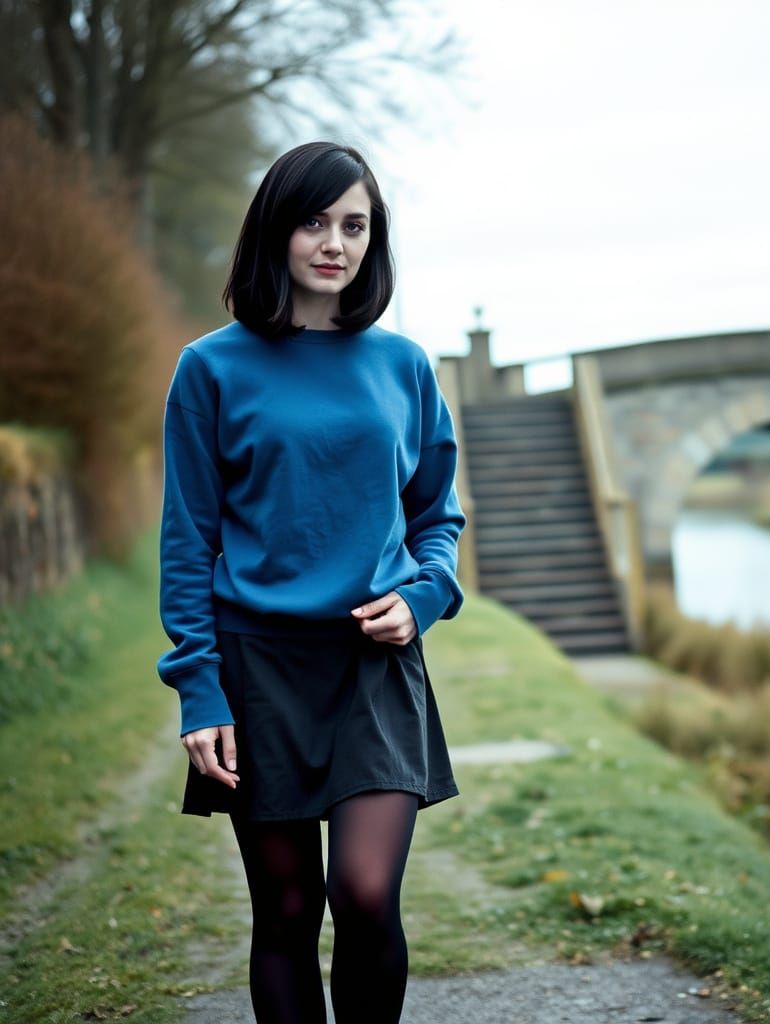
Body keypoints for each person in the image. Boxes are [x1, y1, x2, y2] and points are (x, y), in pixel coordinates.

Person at [155, 140, 466, 1024]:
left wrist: (421, 599)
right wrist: (199, 690)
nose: (335, 242)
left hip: (373, 668)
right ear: (276, 232)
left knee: (365, 896)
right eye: (314, 220)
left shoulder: (403, 367)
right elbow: (188, 541)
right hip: (258, 671)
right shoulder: (209, 369)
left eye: (356, 225)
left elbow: (438, 518)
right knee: (286, 917)